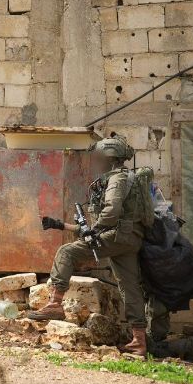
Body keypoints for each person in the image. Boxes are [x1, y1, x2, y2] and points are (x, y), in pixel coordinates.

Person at [31, 137, 153, 357]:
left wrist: (95, 228)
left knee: (66, 252)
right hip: (129, 239)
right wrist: (62, 225)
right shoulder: (127, 178)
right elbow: (109, 219)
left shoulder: (116, 179)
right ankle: (139, 341)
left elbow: (112, 211)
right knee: (129, 287)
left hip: (117, 236)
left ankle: (55, 304)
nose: (96, 161)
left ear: (110, 158)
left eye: (99, 158)